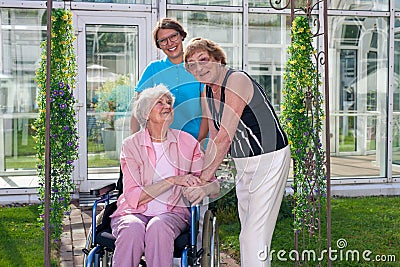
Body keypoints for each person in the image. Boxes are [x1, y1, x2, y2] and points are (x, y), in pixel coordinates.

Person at [184, 37, 291, 267]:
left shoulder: (236, 80)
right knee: (251, 229)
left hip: (269, 158)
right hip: (243, 162)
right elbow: (213, 138)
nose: (199, 68)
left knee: (253, 233)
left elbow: (224, 137)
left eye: (203, 60)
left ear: (218, 60)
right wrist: (205, 175)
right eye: (192, 64)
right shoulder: (207, 92)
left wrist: (203, 180)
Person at [110, 84, 219, 267]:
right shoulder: (131, 145)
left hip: (173, 213)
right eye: (159, 103)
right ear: (146, 113)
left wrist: (203, 188)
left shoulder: (187, 142)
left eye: (169, 102)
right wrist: (172, 181)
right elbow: (133, 196)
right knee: (132, 228)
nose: (167, 106)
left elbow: (212, 185)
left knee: (158, 227)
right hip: (133, 212)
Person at [130, 18, 208, 143]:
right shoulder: (153, 69)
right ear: (159, 45)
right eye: (163, 40)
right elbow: (138, 110)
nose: (170, 43)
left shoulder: (197, 67)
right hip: (161, 143)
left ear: (182, 35)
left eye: (173, 36)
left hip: (195, 141)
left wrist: (199, 142)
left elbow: (207, 113)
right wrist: (134, 141)